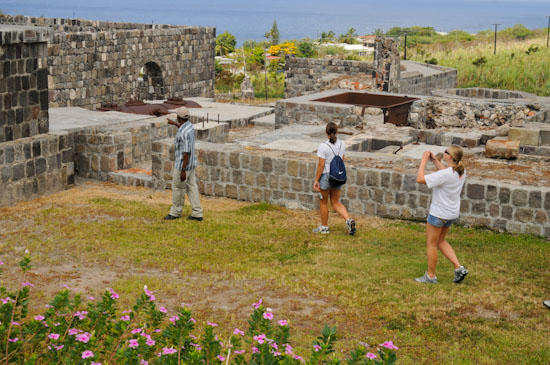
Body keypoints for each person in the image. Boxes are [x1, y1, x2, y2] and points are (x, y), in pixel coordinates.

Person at [415, 145, 468, 284]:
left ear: (449, 157)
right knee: (441, 241)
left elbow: (420, 178)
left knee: (431, 244)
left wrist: (424, 160)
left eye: (446, 151)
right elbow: (445, 173)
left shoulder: (445, 174)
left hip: (438, 214)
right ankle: (458, 267)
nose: (444, 152)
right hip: (450, 214)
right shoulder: (461, 171)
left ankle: (430, 276)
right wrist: (435, 161)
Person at [312, 122, 356, 235]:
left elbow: (321, 165)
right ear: (337, 132)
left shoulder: (323, 146)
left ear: (326, 133)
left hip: (326, 176)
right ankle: (348, 220)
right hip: (338, 176)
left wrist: (316, 180)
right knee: (336, 202)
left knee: (323, 202)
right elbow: (342, 159)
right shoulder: (342, 144)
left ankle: (324, 227)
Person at [164, 107, 204, 221]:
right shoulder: (189, 126)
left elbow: (186, 153)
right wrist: (175, 124)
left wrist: (182, 171)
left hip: (183, 165)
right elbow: (183, 129)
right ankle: (197, 213)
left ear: (178, 117)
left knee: (178, 188)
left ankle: (175, 212)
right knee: (192, 188)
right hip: (191, 164)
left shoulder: (184, 133)